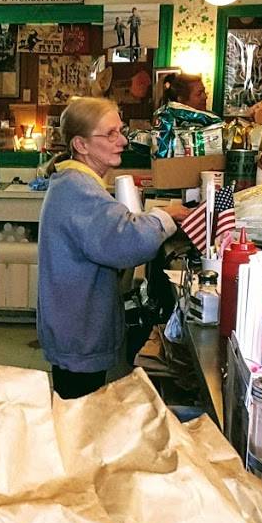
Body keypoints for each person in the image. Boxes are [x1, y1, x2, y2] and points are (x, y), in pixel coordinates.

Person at [37, 97, 186, 400]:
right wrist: (166, 217)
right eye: (110, 134)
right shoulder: (79, 189)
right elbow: (127, 241)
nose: (122, 141)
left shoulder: (74, 181)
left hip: (75, 327)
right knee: (80, 412)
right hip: (79, 333)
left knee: (77, 409)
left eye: (121, 131)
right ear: (81, 144)